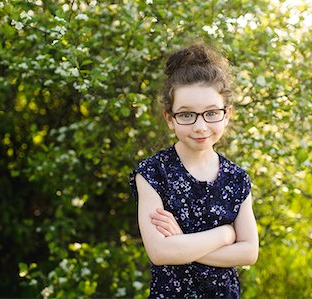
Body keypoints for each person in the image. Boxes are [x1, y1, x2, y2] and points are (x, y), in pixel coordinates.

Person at [129, 42, 259, 298]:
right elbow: (161, 253)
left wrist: (183, 242)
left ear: (227, 114)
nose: (200, 126)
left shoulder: (237, 178)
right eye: (187, 115)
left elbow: (249, 252)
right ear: (170, 118)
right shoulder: (153, 174)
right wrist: (225, 234)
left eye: (211, 113)